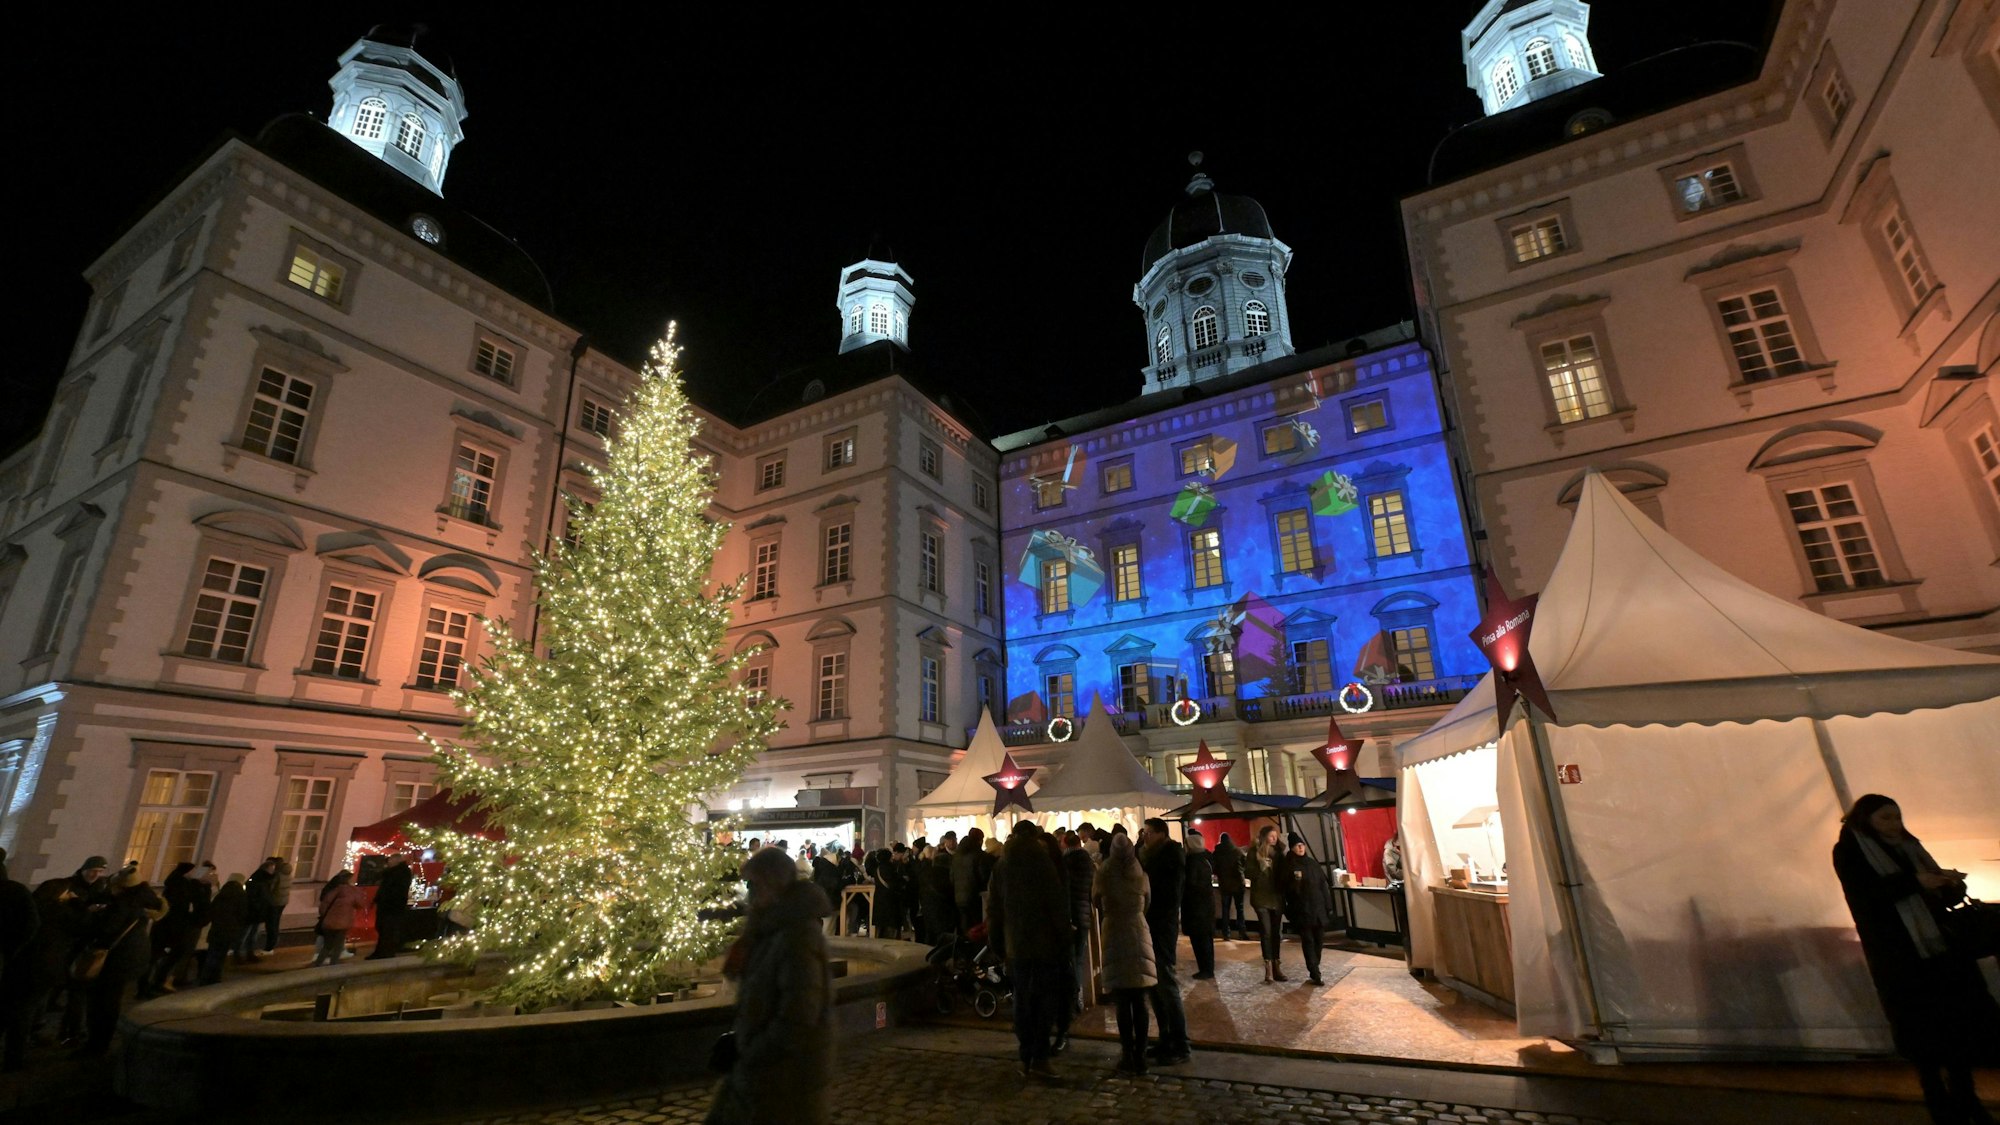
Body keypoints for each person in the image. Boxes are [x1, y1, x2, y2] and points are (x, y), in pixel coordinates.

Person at [1833, 794, 2000, 1125]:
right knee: (1924, 1032)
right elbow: (1866, 896)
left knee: (1956, 1026)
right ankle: (1938, 1102)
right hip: (1900, 956)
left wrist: (1949, 885)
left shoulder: (1911, 845)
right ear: (1865, 819)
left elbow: (1937, 899)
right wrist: (1914, 882)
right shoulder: (1850, 851)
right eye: (1886, 818)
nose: (1895, 825)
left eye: (1897, 817)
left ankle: (1966, 1098)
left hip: (1939, 949)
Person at [705, 845, 833, 1125]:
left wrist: (752, 1052)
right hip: (763, 1077)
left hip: (784, 1081)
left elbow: (798, 1016)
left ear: (772, 884)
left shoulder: (797, 937)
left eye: (753, 884)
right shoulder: (768, 929)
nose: (749, 893)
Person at [985, 823, 1071, 1080]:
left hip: (1016, 945)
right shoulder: (1043, 863)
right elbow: (1057, 905)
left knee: (1022, 1000)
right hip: (1045, 944)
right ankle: (1040, 1056)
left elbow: (994, 909)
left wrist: (998, 943)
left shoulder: (1002, 865)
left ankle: (1025, 1056)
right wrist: (1064, 939)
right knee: (1044, 1000)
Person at [81, 868, 163, 1057]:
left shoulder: (124, 904)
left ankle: (98, 1043)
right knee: (111, 1000)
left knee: (103, 1002)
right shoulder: (144, 899)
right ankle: (101, 1041)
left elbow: (106, 929)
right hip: (132, 957)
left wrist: (92, 915)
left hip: (118, 959)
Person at [1093, 832, 1156, 1076]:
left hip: (1114, 931)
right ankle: (1141, 1054)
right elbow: (1148, 901)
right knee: (1139, 999)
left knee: (1122, 1000)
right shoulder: (1140, 872)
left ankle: (1127, 1052)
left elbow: (1096, 900)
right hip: (1138, 931)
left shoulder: (1103, 873)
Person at [1138, 817, 1190, 1065]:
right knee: (1155, 985)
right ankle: (1166, 1037)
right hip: (1153, 925)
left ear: (1161, 833)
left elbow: (1168, 897)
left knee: (1166, 983)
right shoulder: (1154, 855)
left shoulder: (1169, 857)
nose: (1144, 837)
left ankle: (1180, 1043)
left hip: (1161, 927)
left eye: (1148, 833)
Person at [1279, 833, 1331, 985]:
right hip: (1301, 910)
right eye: (1297, 845)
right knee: (1308, 941)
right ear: (1292, 848)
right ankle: (1314, 971)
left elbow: (1323, 885)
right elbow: (1284, 889)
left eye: (1302, 845)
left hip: (1318, 909)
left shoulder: (1312, 863)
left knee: (1319, 941)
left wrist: (1328, 905)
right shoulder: (1288, 865)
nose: (1300, 847)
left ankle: (1315, 967)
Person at [1059, 829, 1095, 1013]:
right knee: (1079, 959)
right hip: (1084, 915)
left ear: (1065, 844)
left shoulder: (1066, 863)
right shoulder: (1088, 862)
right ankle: (1078, 998)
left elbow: (1064, 892)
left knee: (1069, 960)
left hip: (1070, 916)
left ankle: (1072, 1000)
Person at [1248, 825, 1288, 981]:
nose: (1274, 838)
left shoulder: (1279, 854)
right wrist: (1261, 868)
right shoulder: (1254, 853)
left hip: (1276, 898)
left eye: (1275, 836)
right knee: (1266, 932)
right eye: (1271, 836)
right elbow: (1248, 873)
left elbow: (1284, 874)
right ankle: (1268, 968)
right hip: (1261, 898)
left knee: (1276, 933)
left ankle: (1277, 965)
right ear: (1264, 837)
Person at [312, 871, 367, 967]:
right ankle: (334, 966)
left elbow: (324, 904)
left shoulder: (333, 889)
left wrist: (325, 916)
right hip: (343, 922)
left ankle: (318, 964)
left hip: (328, 921)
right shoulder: (352, 891)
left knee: (327, 945)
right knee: (338, 945)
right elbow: (360, 904)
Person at [200, 873, 248, 984]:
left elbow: (212, 910)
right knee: (221, 955)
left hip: (216, 928)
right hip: (229, 930)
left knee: (212, 954)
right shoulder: (241, 895)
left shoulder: (222, 893)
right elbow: (243, 913)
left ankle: (205, 978)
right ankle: (215, 978)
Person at [1183, 832, 1216, 980]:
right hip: (1207, 904)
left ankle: (1205, 969)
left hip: (1196, 906)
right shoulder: (1206, 859)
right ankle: (1208, 968)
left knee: (1199, 940)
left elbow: (1191, 884)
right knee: (1206, 939)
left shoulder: (1192, 861)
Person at [369, 855, 415, 959]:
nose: (387, 863)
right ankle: (384, 951)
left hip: (390, 906)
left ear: (395, 861)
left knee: (387, 929)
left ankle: (384, 951)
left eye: (389, 861)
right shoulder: (398, 872)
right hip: (391, 906)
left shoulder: (396, 873)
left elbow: (391, 890)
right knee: (386, 929)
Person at [951, 827, 990, 931]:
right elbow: (984, 876)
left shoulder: (957, 856)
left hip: (959, 897)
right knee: (976, 926)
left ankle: (965, 944)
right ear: (980, 840)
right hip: (975, 896)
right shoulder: (980, 856)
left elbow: (952, 877)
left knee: (965, 925)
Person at [1212, 832, 1248, 940]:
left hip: (1224, 885)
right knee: (1240, 909)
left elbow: (1214, 868)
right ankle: (1242, 932)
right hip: (1238, 884)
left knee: (1225, 909)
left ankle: (1226, 933)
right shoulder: (1238, 851)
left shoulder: (1217, 853)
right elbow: (1245, 866)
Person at [240, 858, 276, 961]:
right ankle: (239, 953)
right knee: (246, 933)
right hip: (253, 911)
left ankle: (249, 953)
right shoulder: (257, 880)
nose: (272, 872)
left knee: (254, 934)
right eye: (271, 869)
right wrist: (258, 906)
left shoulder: (265, 881)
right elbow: (252, 896)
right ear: (265, 869)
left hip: (260, 911)